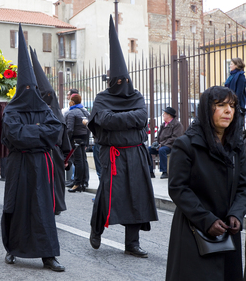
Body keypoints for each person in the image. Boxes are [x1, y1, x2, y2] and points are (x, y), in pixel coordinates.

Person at [86, 16, 158, 258]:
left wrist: (117, 119)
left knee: (136, 195)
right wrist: (125, 119)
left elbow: (141, 117)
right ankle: (96, 229)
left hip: (136, 152)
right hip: (112, 154)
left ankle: (132, 243)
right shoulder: (101, 98)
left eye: (124, 80)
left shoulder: (136, 95)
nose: (121, 84)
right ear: (110, 82)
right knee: (107, 194)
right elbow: (103, 119)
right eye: (117, 81)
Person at [1, 24, 64, 272]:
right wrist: (39, 132)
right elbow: (14, 135)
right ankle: (12, 249)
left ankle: (48, 256)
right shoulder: (11, 110)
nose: (29, 92)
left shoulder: (45, 109)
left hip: (40, 164)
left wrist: (32, 133)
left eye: (32, 89)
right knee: (16, 207)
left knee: (42, 209)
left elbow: (55, 131)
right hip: (19, 165)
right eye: (24, 89)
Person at [166, 86, 246, 281]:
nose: (229, 111)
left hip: (228, 233)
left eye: (232, 106)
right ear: (206, 109)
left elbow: (243, 186)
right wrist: (206, 219)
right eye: (221, 105)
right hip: (195, 231)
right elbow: (178, 188)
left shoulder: (237, 146)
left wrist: (236, 213)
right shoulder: (186, 144)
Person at [30, 46, 72, 215]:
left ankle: (56, 206)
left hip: (54, 153)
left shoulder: (56, 113)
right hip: (39, 152)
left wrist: (66, 156)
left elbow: (64, 136)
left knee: (56, 180)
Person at [148, 107, 184, 179]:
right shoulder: (163, 124)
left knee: (162, 150)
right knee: (148, 149)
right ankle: (150, 171)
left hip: (171, 146)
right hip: (162, 145)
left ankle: (164, 172)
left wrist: (162, 144)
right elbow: (158, 136)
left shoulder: (177, 125)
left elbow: (175, 138)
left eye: (164, 114)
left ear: (169, 115)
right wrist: (156, 143)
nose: (163, 115)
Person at [65, 93, 90, 192]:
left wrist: (67, 141)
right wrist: (87, 142)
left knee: (78, 161)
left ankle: (77, 183)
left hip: (74, 140)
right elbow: (89, 128)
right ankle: (83, 182)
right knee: (83, 161)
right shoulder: (85, 112)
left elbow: (70, 129)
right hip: (83, 139)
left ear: (72, 102)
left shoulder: (71, 113)